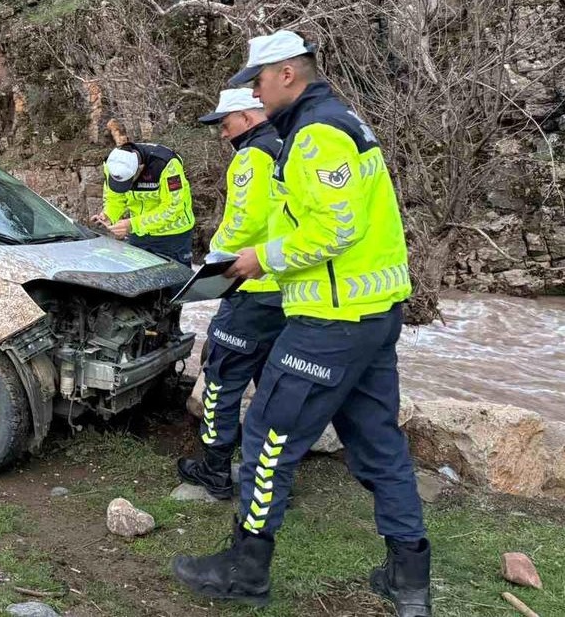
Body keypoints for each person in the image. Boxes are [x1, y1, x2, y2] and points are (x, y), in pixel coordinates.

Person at [170, 30, 430, 617]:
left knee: (267, 437)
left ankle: (245, 568)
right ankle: (409, 575)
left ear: (287, 73)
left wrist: (259, 259)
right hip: (373, 314)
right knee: (380, 443)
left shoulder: (316, 135)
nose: (254, 96)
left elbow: (334, 231)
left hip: (330, 320)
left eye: (257, 81)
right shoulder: (341, 122)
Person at [176, 88, 286, 500]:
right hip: (287, 290)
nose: (223, 134)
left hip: (250, 288)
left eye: (225, 124)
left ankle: (215, 470)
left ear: (245, 116)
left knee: (222, 379)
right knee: (274, 386)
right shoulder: (289, 145)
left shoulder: (252, 156)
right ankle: (271, 480)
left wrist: (212, 258)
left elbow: (244, 220)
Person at [91, 141, 194, 265]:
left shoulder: (166, 164)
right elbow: (115, 198)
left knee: (177, 281)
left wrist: (133, 224)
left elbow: (174, 207)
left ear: (140, 168)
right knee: (140, 278)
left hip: (173, 236)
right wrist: (108, 215)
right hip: (138, 234)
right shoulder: (112, 164)